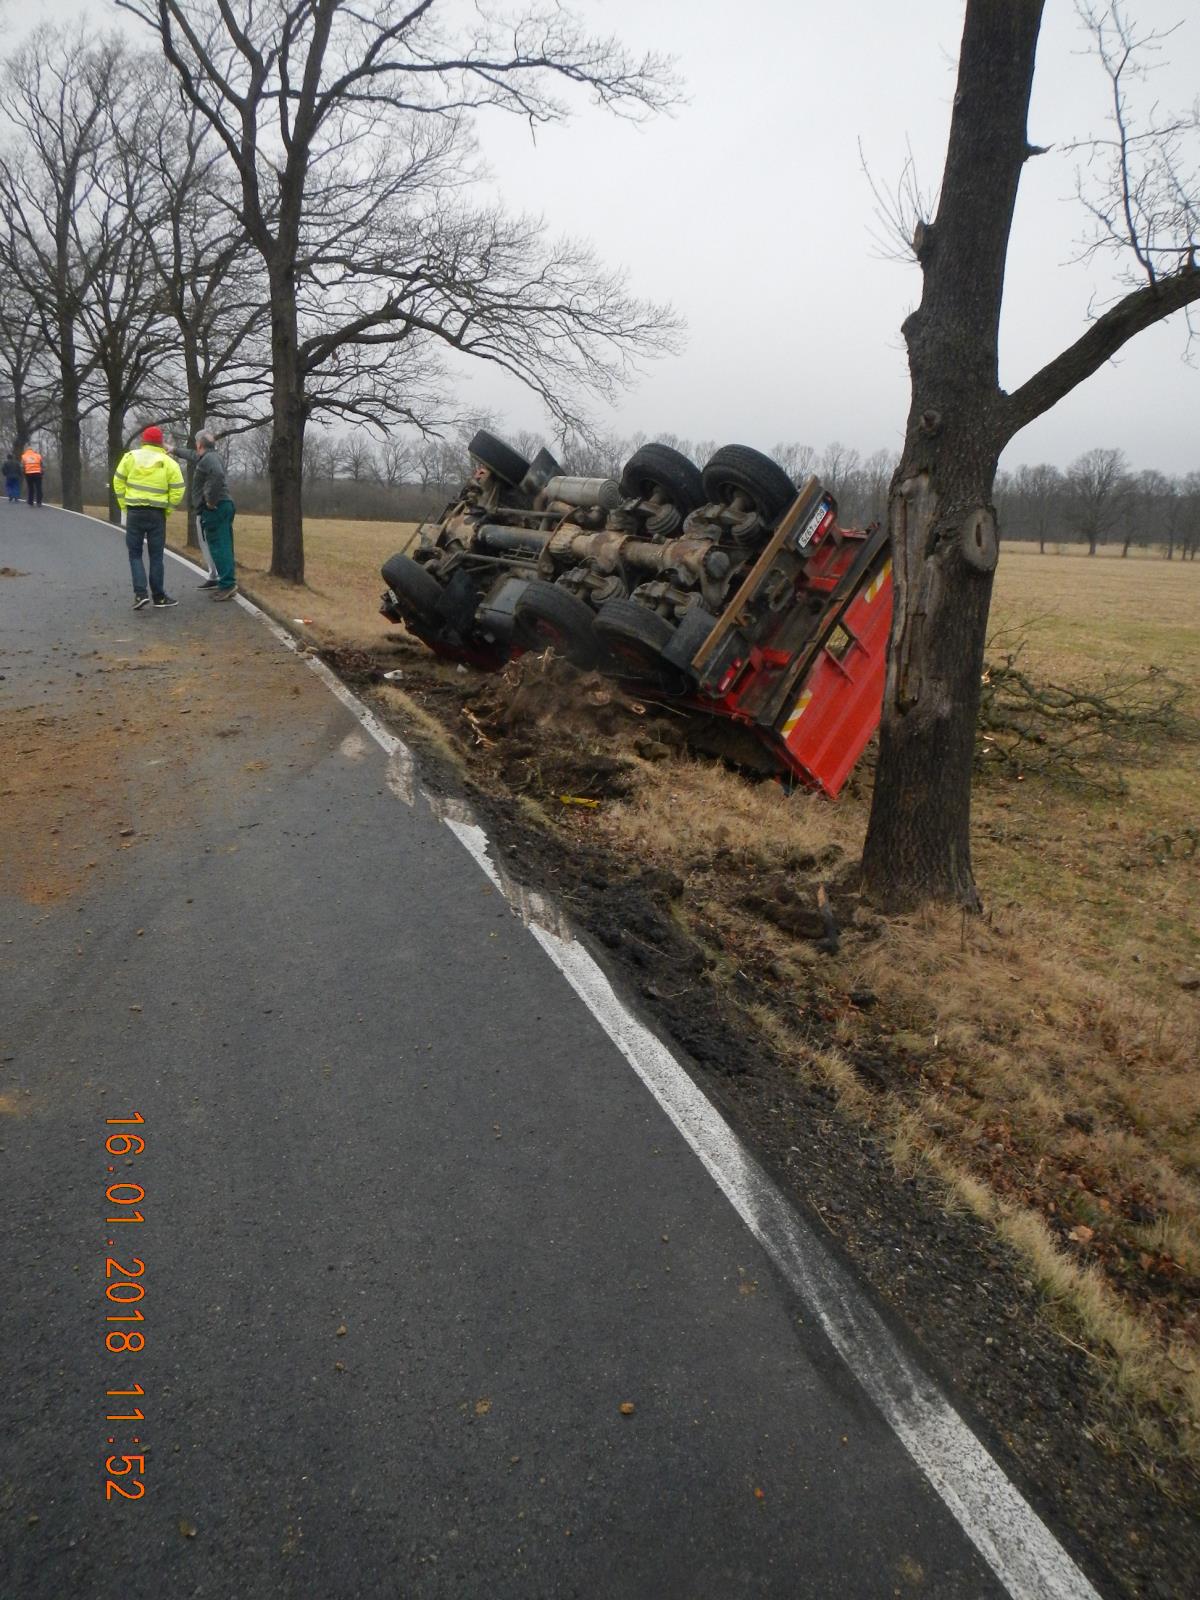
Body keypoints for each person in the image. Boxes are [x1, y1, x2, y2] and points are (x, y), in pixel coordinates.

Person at [112, 425, 185, 610]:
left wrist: (124, 504)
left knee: (135, 554)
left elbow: (118, 481)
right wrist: (168, 509)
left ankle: (140, 594)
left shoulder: (130, 457)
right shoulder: (168, 462)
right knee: (156, 555)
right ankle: (159, 597)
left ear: (143, 441)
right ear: (161, 443)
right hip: (157, 513)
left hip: (135, 511)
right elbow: (178, 488)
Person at [170, 430, 236, 596]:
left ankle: (227, 584)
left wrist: (210, 500)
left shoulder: (210, 458)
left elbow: (218, 475)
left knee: (219, 546)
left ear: (199, 444)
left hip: (216, 507)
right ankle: (221, 579)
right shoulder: (207, 457)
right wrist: (173, 449)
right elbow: (192, 455)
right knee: (219, 545)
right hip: (220, 506)